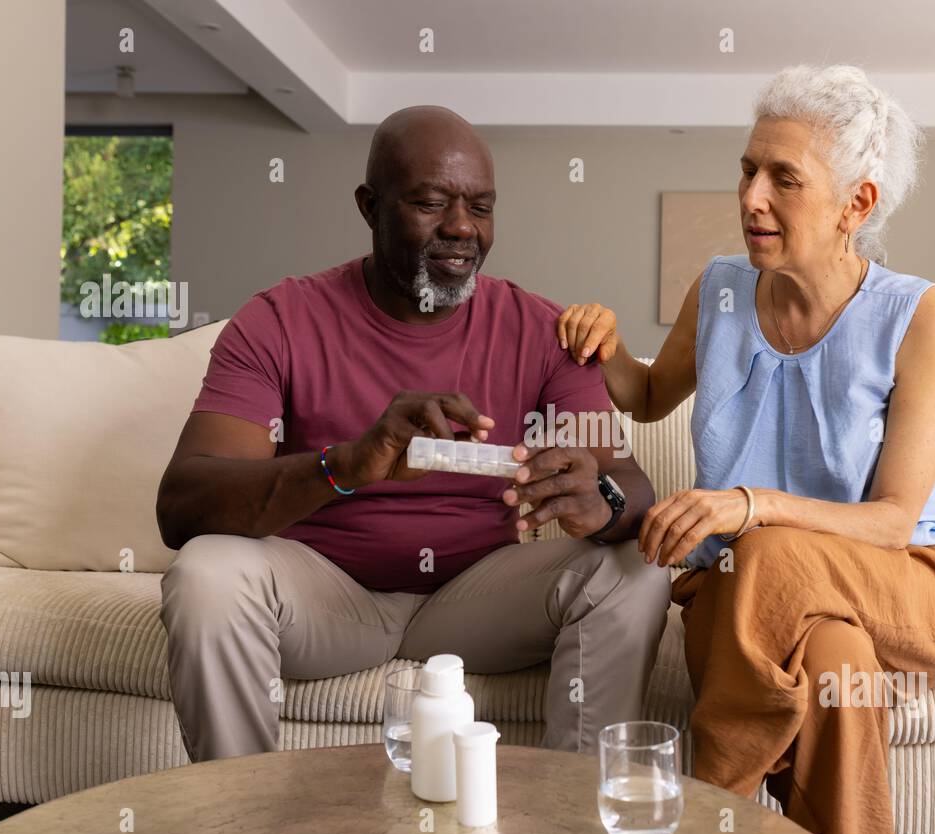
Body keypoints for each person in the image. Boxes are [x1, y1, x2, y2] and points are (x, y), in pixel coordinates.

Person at [555, 65, 935, 834]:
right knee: (834, 660)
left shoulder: (923, 317)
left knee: (766, 545)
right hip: (757, 590)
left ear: (855, 204)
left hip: (908, 579)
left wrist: (748, 505)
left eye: (783, 178)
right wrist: (608, 344)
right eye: (748, 170)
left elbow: (894, 520)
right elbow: (649, 396)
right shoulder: (721, 291)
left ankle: (708, 807)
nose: (751, 196)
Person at [156, 105, 669, 764]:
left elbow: (635, 491)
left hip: (477, 598)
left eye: (480, 207)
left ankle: (574, 829)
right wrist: (345, 463)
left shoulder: (542, 330)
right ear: (370, 207)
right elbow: (182, 504)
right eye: (430, 203)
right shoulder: (278, 320)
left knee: (635, 569)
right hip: (326, 595)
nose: (461, 227)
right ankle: (244, 830)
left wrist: (603, 500)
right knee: (205, 572)